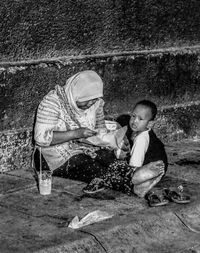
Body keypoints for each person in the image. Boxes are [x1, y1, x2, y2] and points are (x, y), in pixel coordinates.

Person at [33, 70, 130, 184]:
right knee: (91, 167)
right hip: (55, 156)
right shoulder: (52, 103)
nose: (91, 103)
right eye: (87, 99)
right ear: (76, 93)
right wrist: (76, 134)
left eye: (93, 99)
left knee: (109, 158)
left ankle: (133, 175)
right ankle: (132, 181)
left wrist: (109, 140)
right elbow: (41, 139)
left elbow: (100, 129)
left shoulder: (96, 103)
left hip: (84, 149)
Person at [83, 100, 167, 198]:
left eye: (140, 119)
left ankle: (136, 183)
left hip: (146, 170)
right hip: (158, 168)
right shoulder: (143, 132)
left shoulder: (141, 139)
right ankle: (140, 185)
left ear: (150, 124)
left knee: (106, 164)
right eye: (133, 116)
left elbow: (133, 166)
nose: (134, 121)